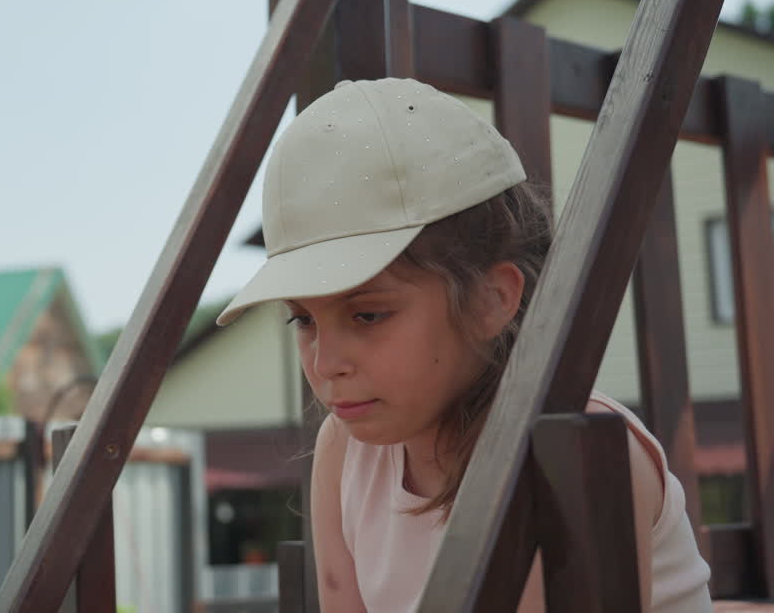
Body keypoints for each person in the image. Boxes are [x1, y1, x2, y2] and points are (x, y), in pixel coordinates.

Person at [215, 78, 712, 611]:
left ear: (491, 299)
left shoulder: (582, 450)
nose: (326, 363)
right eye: (303, 321)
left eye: (367, 314)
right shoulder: (344, 450)